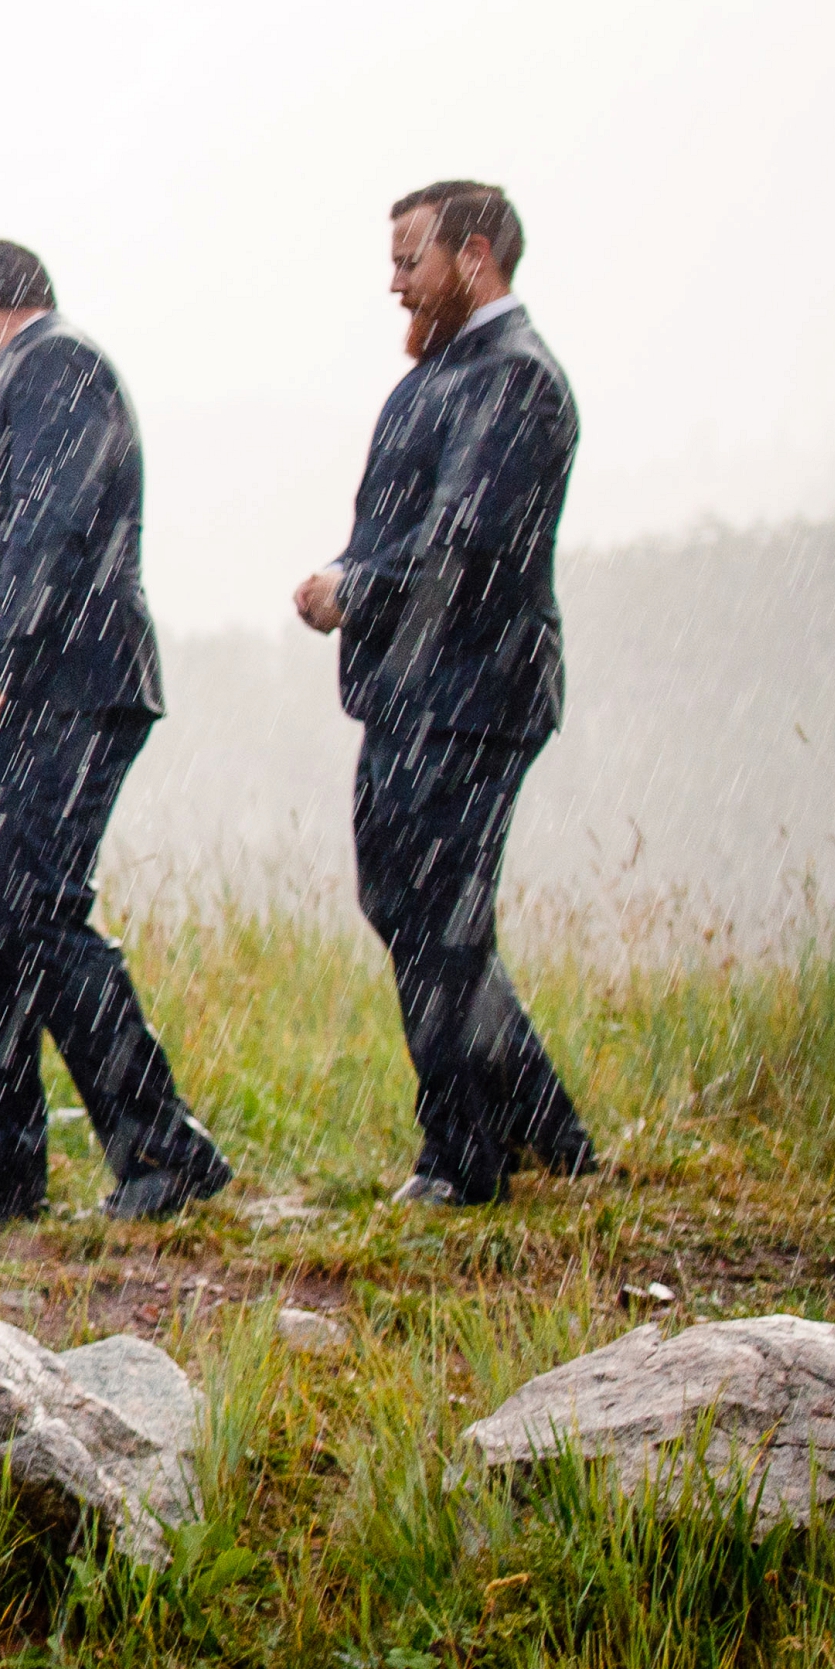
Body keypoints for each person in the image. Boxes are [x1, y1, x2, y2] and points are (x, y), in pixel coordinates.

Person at [0, 241, 231, 1225]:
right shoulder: (23, 380)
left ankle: (163, 1147)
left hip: (57, 684)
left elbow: (50, 523)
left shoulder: (58, 365)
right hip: (10, 694)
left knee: (35, 908)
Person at [295, 180, 597, 1205]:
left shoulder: (513, 381)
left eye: (407, 263)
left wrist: (355, 591)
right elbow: (398, 525)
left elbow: (467, 550)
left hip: (474, 692)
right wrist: (344, 573)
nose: (393, 286)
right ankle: (547, 1134)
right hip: (413, 690)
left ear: (474, 257)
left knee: (437, 915)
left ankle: (462, 1161)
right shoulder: (445, 373)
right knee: (405, 901)